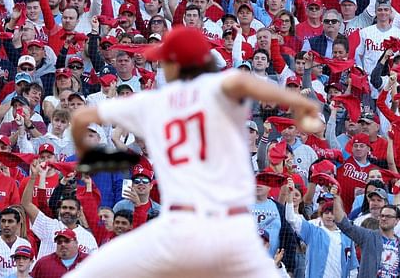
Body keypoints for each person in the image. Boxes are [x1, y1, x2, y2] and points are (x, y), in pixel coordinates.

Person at [67, 26, 320, 278]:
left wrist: (87, 153)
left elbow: (82, 117)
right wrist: (301, 104)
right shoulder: (217, 88)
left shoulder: (153, 101)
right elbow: (243, 82)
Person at [0, 207, 32, 278]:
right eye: (3, 221)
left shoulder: (25, 244)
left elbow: (30, 271)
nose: (6, 225)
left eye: (10, 221)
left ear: (18, 224)